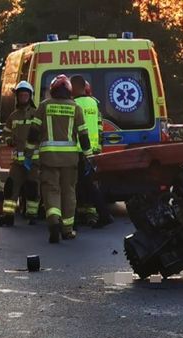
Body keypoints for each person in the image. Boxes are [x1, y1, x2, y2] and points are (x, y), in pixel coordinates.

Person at [25, 74, 92, 243]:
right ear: (68, 90)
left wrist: (28, 154)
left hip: (48, 158)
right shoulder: (75, 107)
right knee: (69, 192)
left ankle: (54, 221)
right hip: (70, 159)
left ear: (53, 89)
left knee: (51, 190)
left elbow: (33, 133)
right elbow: (83, 135)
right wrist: (89, 156)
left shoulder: (44, 106)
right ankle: (67, 229)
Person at [0, 81, 40, 227]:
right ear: (17, 97)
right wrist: (9, 140)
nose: (23, 97)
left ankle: (32, 215)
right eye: (21, 95)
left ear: (30, 96)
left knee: (32, 188)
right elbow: (6, 133)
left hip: (33, 161)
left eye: (26, 95)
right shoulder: (13, 116)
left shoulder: (37, 114)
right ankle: (8, 216)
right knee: (10, 188)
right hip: (18, 162)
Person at [70, 75, 113, 229]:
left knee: (73, 186)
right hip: (93, 151)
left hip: (78, 151)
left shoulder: (73, 104)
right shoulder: (94, 103)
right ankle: (100, 215)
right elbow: (99, 126)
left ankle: (76, 220)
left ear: (74, 87)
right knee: (88, 185)